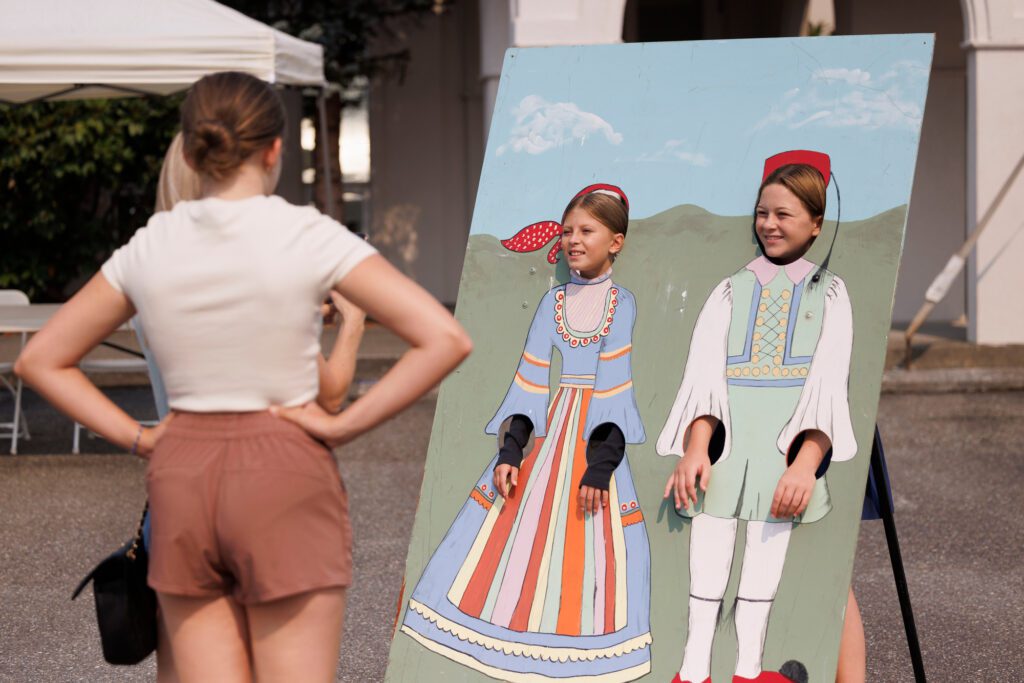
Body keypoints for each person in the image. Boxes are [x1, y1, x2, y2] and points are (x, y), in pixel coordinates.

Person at [15, 71, 471, 682]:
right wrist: (344, 426)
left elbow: (40, 359)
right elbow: (444, 337)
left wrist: (141, 437)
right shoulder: (307, 234)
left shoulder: (150, 244)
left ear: (191, 148)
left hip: (182, 473)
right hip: (284, 468)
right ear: (274, 148)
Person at [398, 184, 652, 683]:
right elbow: (531, 382)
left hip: (593, 439)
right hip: (551, 428)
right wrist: (511, 451)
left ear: (616, 241)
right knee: (512, 540)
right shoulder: (551, 302)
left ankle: (578, 655)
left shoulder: (622, 305)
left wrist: (599, 468)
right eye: (567, 231)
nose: (574, 240)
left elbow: (615, 392)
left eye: (587, 231)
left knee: (588, 549)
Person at [143, 130, 370, 682]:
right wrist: (354, 323)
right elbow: (331, 392)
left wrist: (138, 437)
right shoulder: (261, 271)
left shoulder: (150, 262)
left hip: (177, 484)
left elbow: (48, 358)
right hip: (270, 481)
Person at [657, 151, 857, 683]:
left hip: (783, 454)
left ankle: (748, 671)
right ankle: (694, 670)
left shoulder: (833, 295)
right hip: (727, 448)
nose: (769, 224)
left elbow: (828, 388)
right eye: (762, 212)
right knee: (708, 560)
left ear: (816, 224)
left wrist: (806, 463)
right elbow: (704, 380)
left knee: (763, 572)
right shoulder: (729, 290)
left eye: (784, 214)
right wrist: (697, 447)